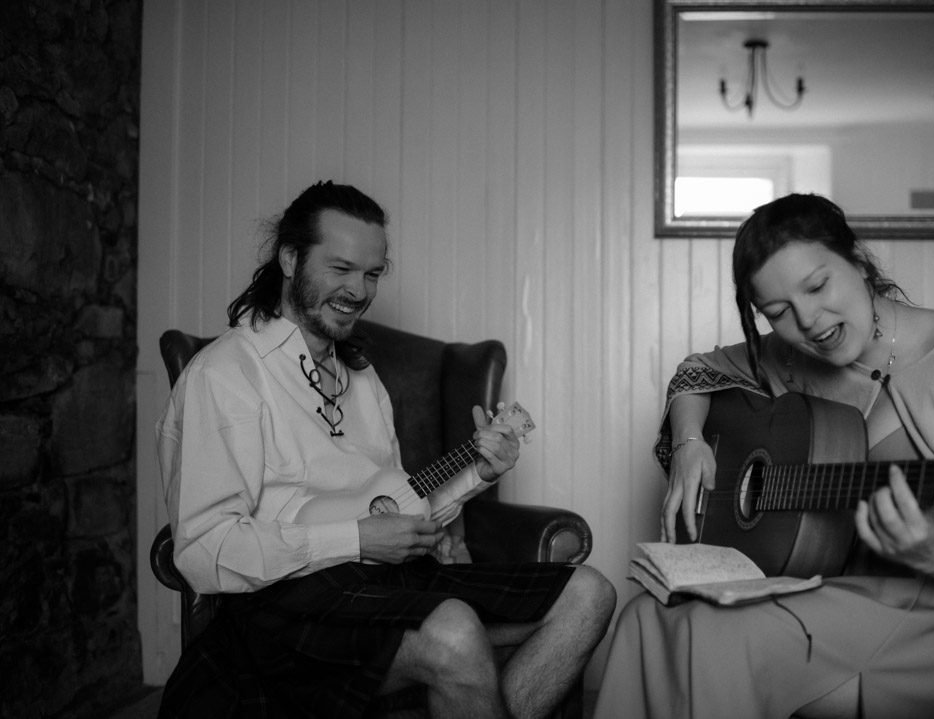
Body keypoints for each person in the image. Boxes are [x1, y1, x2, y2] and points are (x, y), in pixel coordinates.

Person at [594, 194, 934, 718]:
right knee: (645, 617)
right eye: (778, 312)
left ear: (858, 260)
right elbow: (696, 372)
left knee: (717, 636)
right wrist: (690, 443)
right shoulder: (790, 355)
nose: (809, 321)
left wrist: (931, 551)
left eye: (818, 285)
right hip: (820, 587)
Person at [155, 180, 616, 719]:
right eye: (341, 268)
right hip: (282, 604)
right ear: (289, 258)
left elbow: (392, 506)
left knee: (588, 595)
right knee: (452, 629)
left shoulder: (362, 377)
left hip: (384, 584)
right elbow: (204, 551)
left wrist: (478, 475)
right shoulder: (227, 374)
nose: (359, 290)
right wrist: (353, 539)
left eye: (372, 273)